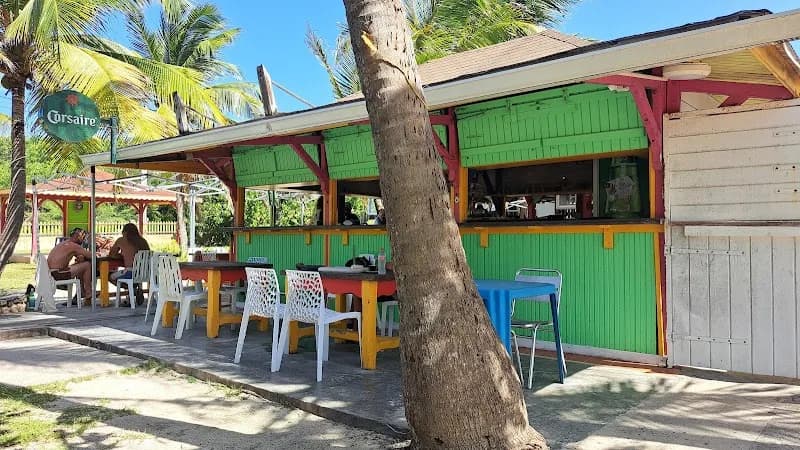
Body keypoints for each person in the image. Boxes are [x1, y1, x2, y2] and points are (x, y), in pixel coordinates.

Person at [47, 228, 94, 303]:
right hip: (57, 274)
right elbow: (91, 256)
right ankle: (88, 293)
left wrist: (80, 257)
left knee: (80, 266)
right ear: (78, 236)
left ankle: (82, 291)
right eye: (83, 237)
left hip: (50, 273)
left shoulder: (65, 243)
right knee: (87, 265)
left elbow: (78, 256)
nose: (83, 239)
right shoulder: (73, 246)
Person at [108, 223, 151, 305]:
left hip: (130, 272)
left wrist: (121, 255)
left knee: (110, 276)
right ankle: (134, 288)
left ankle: (132, 289)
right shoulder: (143, 241)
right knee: (130, 276)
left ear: (125, 232)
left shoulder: (121, 240)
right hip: (145, 273)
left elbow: (112, 254)